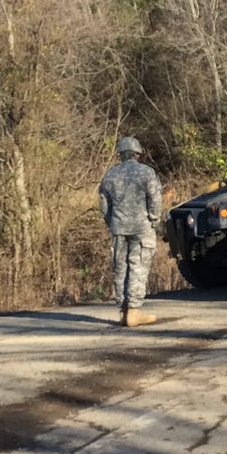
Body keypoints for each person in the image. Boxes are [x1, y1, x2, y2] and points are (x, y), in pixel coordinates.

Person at [99, 137, 163, 327]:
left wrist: (111, 221)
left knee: (120, 268)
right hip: (141, 227)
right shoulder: (146, 172)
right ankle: (134, 311)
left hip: (118, 228)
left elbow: (103, 204)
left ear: (120, 154)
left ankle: (123, 310)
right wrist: (154, 218)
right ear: (138, 154)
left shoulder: (110, 175)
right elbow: (155, 199)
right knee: (138, 265)